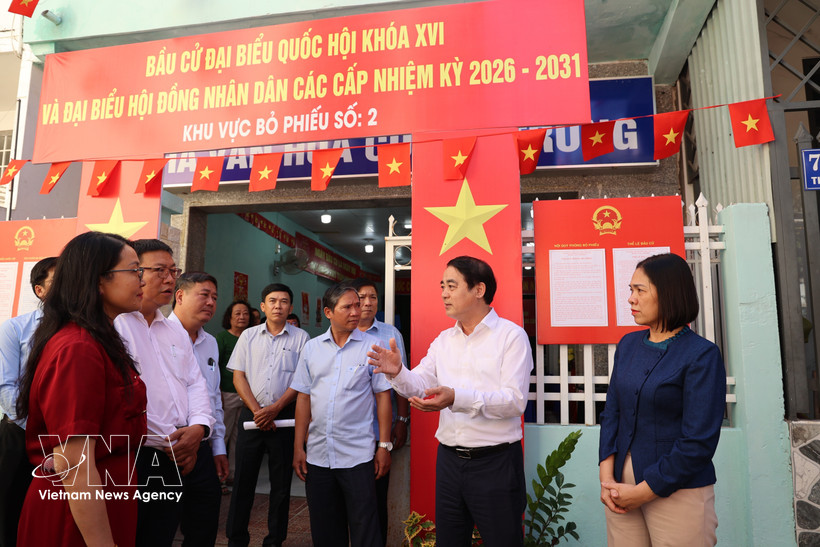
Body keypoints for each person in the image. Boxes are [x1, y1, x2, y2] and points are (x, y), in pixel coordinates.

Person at [369, 256, 533, 546]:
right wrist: (397, 373)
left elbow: (514, 401)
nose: (444, 293)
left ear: (479, 290)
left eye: (452, 285)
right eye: (442, 286)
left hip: (494, 462)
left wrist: (457, 397)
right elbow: (419, 384)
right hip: (449, 462)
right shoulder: (444, 340)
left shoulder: (511, 337)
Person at [16, 232, 146, 547]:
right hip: (73, 517)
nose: (142, 279)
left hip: (101, 499)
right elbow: (74, 464)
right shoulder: (78, 347)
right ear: (98, 280)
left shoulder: (100, 337)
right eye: (134, 270)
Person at [598, 253, 726, 546]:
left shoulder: (701, 354)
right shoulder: (629, 344)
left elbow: (698, 441)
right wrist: (607, 478)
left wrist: (644, 491)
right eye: (631, 290)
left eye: (640, 290)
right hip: (620, 483)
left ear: (668, 294)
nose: (631, 299)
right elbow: (612, 414)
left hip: (676, 486)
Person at [114, 239, 214, 547]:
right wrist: (175, 439)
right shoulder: (115, 325)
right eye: (160, 270)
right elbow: (125, 394)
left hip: (179, 449)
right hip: (136, 452)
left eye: (173, 270)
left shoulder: (174, 331)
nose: (170, 278)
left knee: (162, 533)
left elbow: (195, 383)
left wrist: (198, 428)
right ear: (134, 271)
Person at [292, 282, 392, 547]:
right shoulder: (312, 348)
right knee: (325, 529)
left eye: (357, 305)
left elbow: (383, 397)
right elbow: (304, 397)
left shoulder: (374, 346)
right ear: (328, 312)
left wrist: (384, 445)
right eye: (348, 306)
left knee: (365, 528)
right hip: (318, 455)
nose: (356, 311)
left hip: (357, 456)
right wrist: (298, 447)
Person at [225, 283, 308, 547]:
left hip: (284, 419)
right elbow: (239, 375)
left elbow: (301, 380)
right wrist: (258, 411)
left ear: (290, 308)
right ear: (262, 306)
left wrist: (274, 409)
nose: (278, 306)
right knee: (242, 485)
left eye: (284, 301)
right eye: (272, 301)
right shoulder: (248, 336)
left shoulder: (301, 338)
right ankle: (236, 539)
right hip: (252, 417)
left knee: (281, 486)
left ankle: (274, 540)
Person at [0, 256, 56, 547]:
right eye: (57, 280)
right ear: (40, 290)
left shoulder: (86, 330)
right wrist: (34, 428)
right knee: (10, 508)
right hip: (18, 433)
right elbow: (5, 386)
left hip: (64, 438)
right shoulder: (16, 329)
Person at [349, 277, 409, 546]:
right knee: (347, 501)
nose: (368, 303)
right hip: (347, 432)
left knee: (375, 498)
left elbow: (402, 382)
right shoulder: (342, 333)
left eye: (373, 297)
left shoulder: (390, 334)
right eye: (362, 297)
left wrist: (402, 420)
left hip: (378, 431)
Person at [168, 272, 227, 545]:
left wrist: (218, 447)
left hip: (202, 445)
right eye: (204, 294)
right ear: (180, 295)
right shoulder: (156, 336)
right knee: (160, 526)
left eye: (214, 297)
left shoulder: (210, 342)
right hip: (167, 447)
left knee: (203, 525)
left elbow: (213, 397)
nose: (211, 302)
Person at [216, 300, 252, 485]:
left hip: (247, 397)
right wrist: (219, 392)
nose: (242, 317)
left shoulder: (252, 337)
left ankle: (232, 475)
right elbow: (215, 368)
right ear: (229, 317)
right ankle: (219, 477)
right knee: (224, 434)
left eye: (245, 313)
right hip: (227, 394)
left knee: (240, 437)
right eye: (237, 313)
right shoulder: (222, 338)